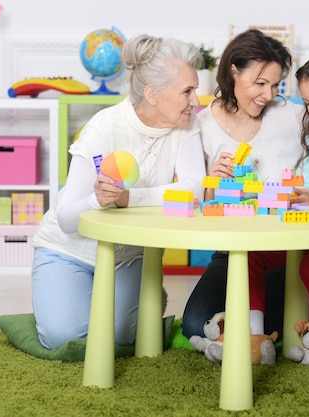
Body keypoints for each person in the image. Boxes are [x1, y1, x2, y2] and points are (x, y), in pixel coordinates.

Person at [181, 29, 309, 340]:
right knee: (196, 324)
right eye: (260, 83)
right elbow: (199, 199)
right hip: (235, 247)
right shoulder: (201, 124)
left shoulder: (297, 115)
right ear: (234, 72)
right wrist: (213, 180)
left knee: (279, 323)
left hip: (291, 241)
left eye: (276, 84)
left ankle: (291, 336)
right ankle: (255, 338)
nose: (269, 94)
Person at [31, 34, 206, 350]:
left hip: (128, 256)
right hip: (69, 251)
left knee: (117, 338)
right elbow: (69, 220)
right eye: (187, 91)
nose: (195, 101)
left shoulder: (186, 123)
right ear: (152, 94)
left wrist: (130, 199)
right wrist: (96, 200)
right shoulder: (105, 126)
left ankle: (141, 298)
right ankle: (67, 296)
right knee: (63, 338)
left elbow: (195, 191)